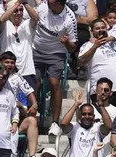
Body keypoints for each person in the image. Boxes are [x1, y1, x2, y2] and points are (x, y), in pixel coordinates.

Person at [32, 0, 78, 137]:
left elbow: (73, 47)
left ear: (59, 3)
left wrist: (66, 42)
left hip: (56, 53)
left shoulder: (70, 19)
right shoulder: (43, 6)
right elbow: (33, 17)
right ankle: (32, 114)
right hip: (36, 49)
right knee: (35, 82)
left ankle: (55, 123)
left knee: (54, 82)